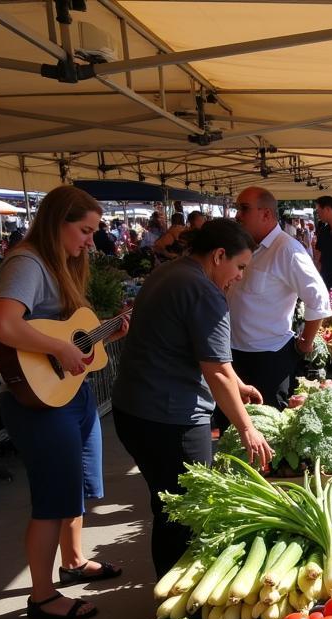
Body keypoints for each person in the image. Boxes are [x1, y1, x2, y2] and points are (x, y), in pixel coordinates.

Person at [0, 185, 130, 619]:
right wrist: (61, 349)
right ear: (57, 223)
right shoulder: (27, 262)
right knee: (53, 498)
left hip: (71, 395)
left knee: (76, 486)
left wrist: (106, 333)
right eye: (84, 231)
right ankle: (42, 595)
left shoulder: (57, 264)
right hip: (41, 401)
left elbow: (76, 334)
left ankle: (73, 562)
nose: (91, 241)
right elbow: (3, 323)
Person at [113, 218, 274, 577]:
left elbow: (209, 358)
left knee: (168, 505)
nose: (240, 276)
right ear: (219, 255)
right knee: (187, 512)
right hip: (170, 418)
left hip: (134, 411)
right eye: (240, 266)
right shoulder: (204, 292)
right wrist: (247, 428)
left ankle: (170, 589)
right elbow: (215, 370)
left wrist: (239, 384)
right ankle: (177, 599)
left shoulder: (171, 271)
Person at [228, 187, 331, 410]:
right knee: (233, 430)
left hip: (268, 359)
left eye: (244, 209)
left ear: (266, 214)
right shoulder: (242, 247)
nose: (238, 215)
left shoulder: (287, 250)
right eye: (238, 208)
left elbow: (318, 299)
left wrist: (306, 343)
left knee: (267, 429)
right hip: (233, 355)